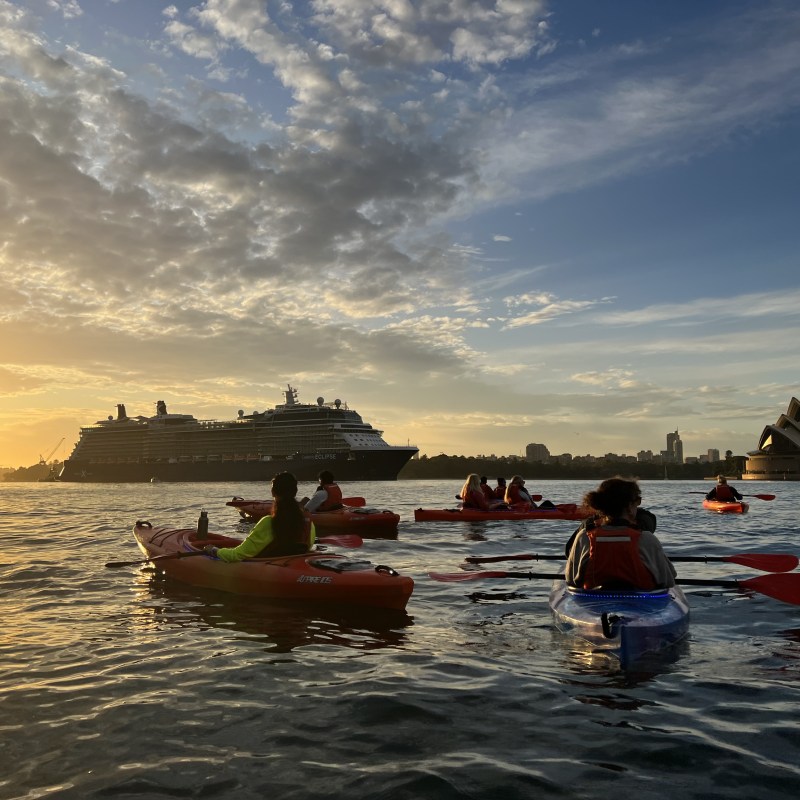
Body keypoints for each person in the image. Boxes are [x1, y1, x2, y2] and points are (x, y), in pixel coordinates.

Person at [564, 477, 675, 591]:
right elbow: (668, 580)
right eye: (637, 502)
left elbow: (571, 580)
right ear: (629, 506)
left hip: (594, 603)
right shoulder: (647, 539)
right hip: (641, 604)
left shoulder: (584, 536)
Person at [206, 472, 315, 561]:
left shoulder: (268, 523)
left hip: (271, 571)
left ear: (273, 493)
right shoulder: (308, 523)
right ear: (295, 492)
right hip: (294, 568)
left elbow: (235, 555)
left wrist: (214, 550)